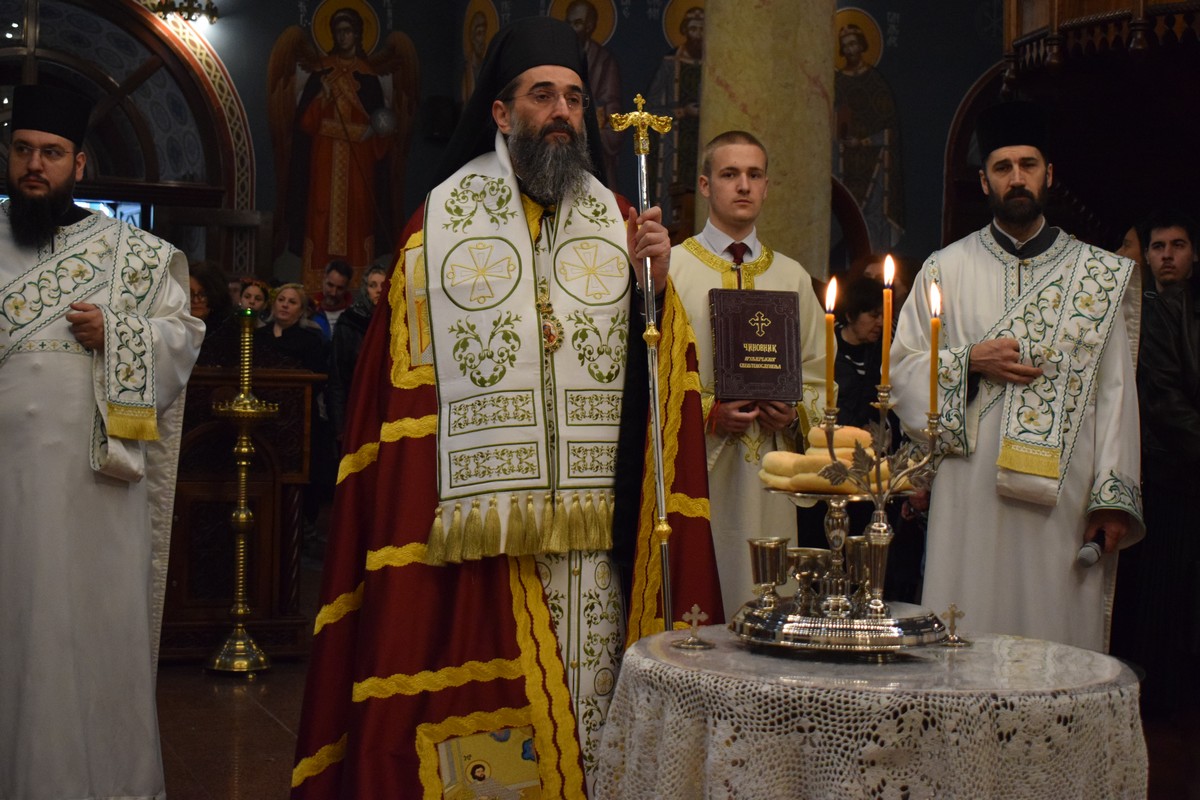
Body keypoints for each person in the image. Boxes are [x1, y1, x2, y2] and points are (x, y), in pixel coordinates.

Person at [291, 17, 720, 799]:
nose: (562, 113)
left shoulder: (620, 221)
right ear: (500, 111)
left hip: (596, 535)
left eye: (575, 99)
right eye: (543, 96)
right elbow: (401, 401)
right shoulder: (436, 230)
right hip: (477, 540)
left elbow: (658, 371)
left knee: (597, 722)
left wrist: (654, 290)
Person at [0, 84, 203, 800]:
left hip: (96, 488)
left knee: (90, 633)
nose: (35, 165)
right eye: (23, 150)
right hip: (7, 485)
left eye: (52, 153)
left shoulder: (136, 256)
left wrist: (118, 334)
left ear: (78, 164)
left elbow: (181, 339)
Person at [890, 101, 1143, 651]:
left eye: (1028, 165)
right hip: (970, 491)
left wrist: (1112, 496)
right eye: (1003, 168)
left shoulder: (1096, 274)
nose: (1017, 178)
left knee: (1055, 632)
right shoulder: (944, 269)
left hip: (1065, 499)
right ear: (985, 181)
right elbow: (903, 372)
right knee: (967, 622)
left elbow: (1116, 394)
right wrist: (968, 361)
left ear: (1049, 174)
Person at [667, 130, 828, 619]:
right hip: (700, 470)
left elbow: (821, 375)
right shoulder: (672, 270)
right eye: (729, 174)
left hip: (771, 474)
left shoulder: (792, 276)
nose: (743, 185)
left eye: (754, 175)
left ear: (766, 186)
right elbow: (655, 374)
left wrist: (795, 412)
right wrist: (707, 412)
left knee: (768, 602)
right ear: (705, 185)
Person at [1121, 210, 1200, 719]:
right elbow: (1164, 401)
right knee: (1163, 595)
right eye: (1158, 247)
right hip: (1167, 475)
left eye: (1178, 245)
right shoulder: (1147, 311)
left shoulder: (1189, 308)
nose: (1167, 255)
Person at [834, 22, 905, 250]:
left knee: (872, 221)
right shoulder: (837, 82)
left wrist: (863, 142)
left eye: (854, 44)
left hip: (874, 166)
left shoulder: (876, 82)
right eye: (845, 46)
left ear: (862, 46)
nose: (850, 50)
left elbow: (888, 128)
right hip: (841, 164)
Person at [646, 5, 703, 235]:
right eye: (693, 29)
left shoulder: (717, 67)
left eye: (702, 30)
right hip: (674, 147)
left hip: (701, 146)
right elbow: (651, 109)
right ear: (684, 31)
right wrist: (682, 112)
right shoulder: (670, 64)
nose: (698, 35)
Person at [562, 0, 622, 186]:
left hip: (594, 145)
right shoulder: (556, 58)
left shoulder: (604, 60)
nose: (572, 28)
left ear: (590, 27)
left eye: (578, 23)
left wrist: (594, 130)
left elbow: (611, 104)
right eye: (569, 22)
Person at [326, 264, 385, 444]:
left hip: (387, 406)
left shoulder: (397, 322)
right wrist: (339, 426)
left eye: (384, 285)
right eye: (373, 285)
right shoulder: (349, 322)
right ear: (365, 289)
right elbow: (337, 378)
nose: (379, 290)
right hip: (357, 404)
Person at [310, 258, 352, 338]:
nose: (333, 293)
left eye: (340, 288)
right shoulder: (310, 311)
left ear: (347, 287)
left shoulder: (354, 315)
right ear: (323, 280)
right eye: (330, 285)